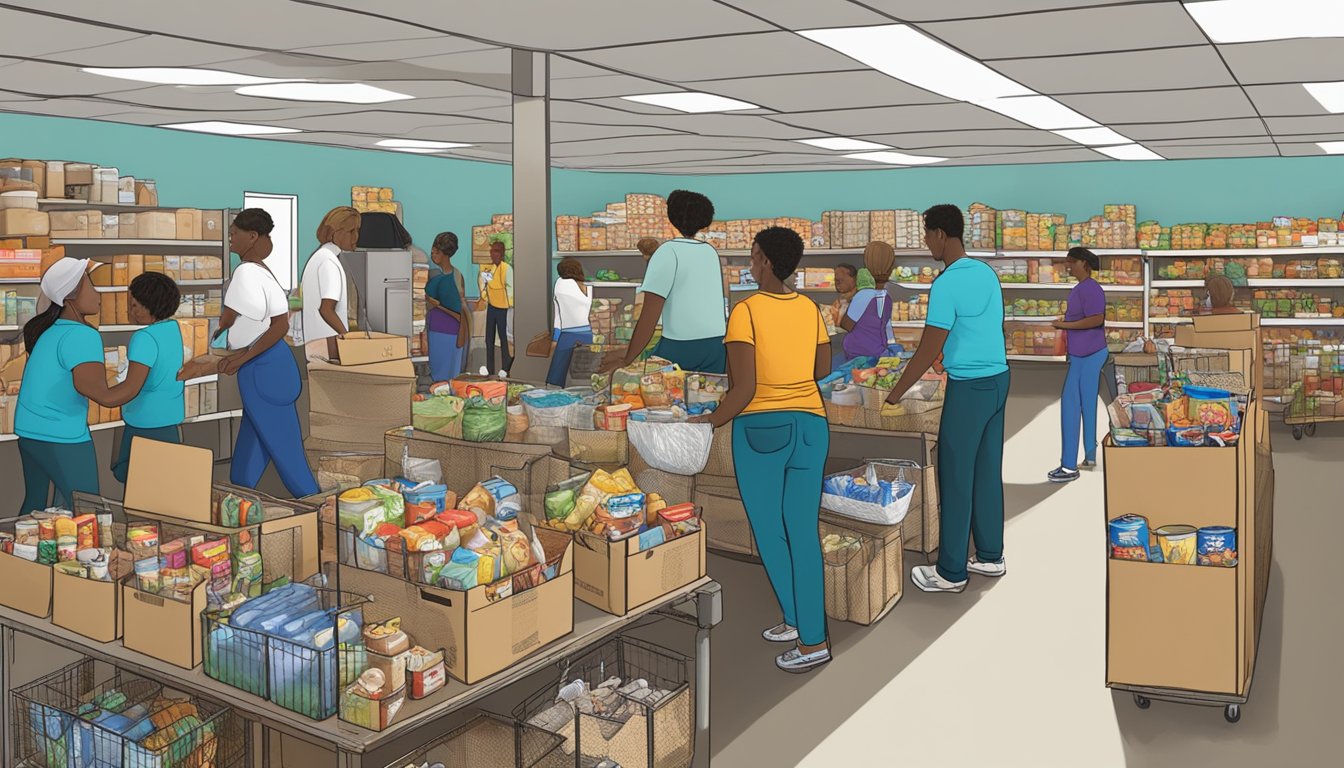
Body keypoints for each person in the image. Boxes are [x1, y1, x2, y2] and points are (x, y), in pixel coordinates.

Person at [692, 226, 832, 673]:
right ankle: (802, 626)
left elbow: (745, 388)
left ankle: (811, 642)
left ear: (767, 262)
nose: (750, 266)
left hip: (761, 431)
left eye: (753, 258)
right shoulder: (809, 308)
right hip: (811, 425)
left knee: (771, 531)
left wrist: (708, 420)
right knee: (803, 532)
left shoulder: (746, 311)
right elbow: (822, 367)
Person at [884, 205, 1009, 594]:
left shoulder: (947, 283)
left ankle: (951, 572)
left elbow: (926, 349)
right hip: (998, 380)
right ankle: (990, 555)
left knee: (954, 476)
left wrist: (895, 393)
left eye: (927, 235)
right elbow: (978, 328)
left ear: (940, 234)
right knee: (987, 472)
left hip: (969, 388)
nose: (926, 242)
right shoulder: (986, 274)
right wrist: (949, 353)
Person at [202, 208, 318, 498]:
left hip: (263, 370)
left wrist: (241, 357)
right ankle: (239, 501)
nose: (230, 239)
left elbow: (278, 326)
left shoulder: (246, 272)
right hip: (270, 367)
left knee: (288, 455)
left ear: (252, 236)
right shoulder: (260, 272)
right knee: (249, 455)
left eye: (234, 234)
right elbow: (235, 316)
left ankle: (322, 514)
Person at [15, 259, 143, 512]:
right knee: (88, 511)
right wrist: (142, 374)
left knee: (35, 510)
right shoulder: (81, 335)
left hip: (30, 431)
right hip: (62, 436)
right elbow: (103, 395)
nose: (97, 293)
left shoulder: (49, 331)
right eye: (91, 285)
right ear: (71, 296)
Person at [607, 190, 727, 374]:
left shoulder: (667, 251)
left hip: (680, 346)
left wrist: (627, 359)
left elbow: (649, 316)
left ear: (671, 217)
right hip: (716, 347)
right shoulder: (710, 252)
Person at [111, 272, 186, 484]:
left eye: (134, 306)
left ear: (149, 306)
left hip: (145, 425)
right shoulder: (173, 330)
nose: (130, 311)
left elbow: (131, 387)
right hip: (170, 423)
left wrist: (101, 395)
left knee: (140, 493)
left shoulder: (144, 338)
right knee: (165, 490)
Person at [1048, 248, 1108, 483]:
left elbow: (1097, 318)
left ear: (1083, 263)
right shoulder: (1085, 288)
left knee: (1071, 406)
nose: (1068, 267)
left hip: (1088, 354)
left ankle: (1069, 466)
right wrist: (1067, 321)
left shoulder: (1089, 288)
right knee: (1087, 404)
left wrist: (1065, 327)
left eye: (1071, 263)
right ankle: (1090, 456)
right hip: (1086, 353)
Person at [300, 207, 358, 362]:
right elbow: (326, 309)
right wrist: (348, 338)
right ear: (335, 233)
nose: (356, 237)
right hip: (328, 345)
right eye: (351, 231)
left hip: (315, 342)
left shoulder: (318, 257)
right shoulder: (329, 262)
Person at [839, 242, 899, 360]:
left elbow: (846, 324)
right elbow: (885, 326)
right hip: (873, 352)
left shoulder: (863, 295)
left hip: (860, 352)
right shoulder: (885, 298)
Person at [425, 232, 470, 381]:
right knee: (442, 375)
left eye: (436, 252)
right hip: (437, 330)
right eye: (432, 250)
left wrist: (437, 305)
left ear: (445, 254)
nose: (433, 254)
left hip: (447, 332)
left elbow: (458, 311)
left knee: (445, 378)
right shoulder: (437, 275)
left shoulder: (453, 277)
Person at [546, 258, 595, 387]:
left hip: (568, 335)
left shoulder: (561, 284)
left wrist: (555, 338)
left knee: (555, 379)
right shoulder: (587, 287)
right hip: (587, 333)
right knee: (584, 374)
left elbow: (559, 314)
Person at [476, 239, 513, 375]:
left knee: (504, 339)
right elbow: (484, 285)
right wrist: (486, 297)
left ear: (502, 254)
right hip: (492, 307)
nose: (493, 254)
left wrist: (510, 306)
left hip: (504, 308)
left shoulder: (506, 268)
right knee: (489, 339)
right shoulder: (488, 269)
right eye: (492, 251)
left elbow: (511, 288)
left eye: (496, 251)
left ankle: (506, 369)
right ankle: (490, 369)